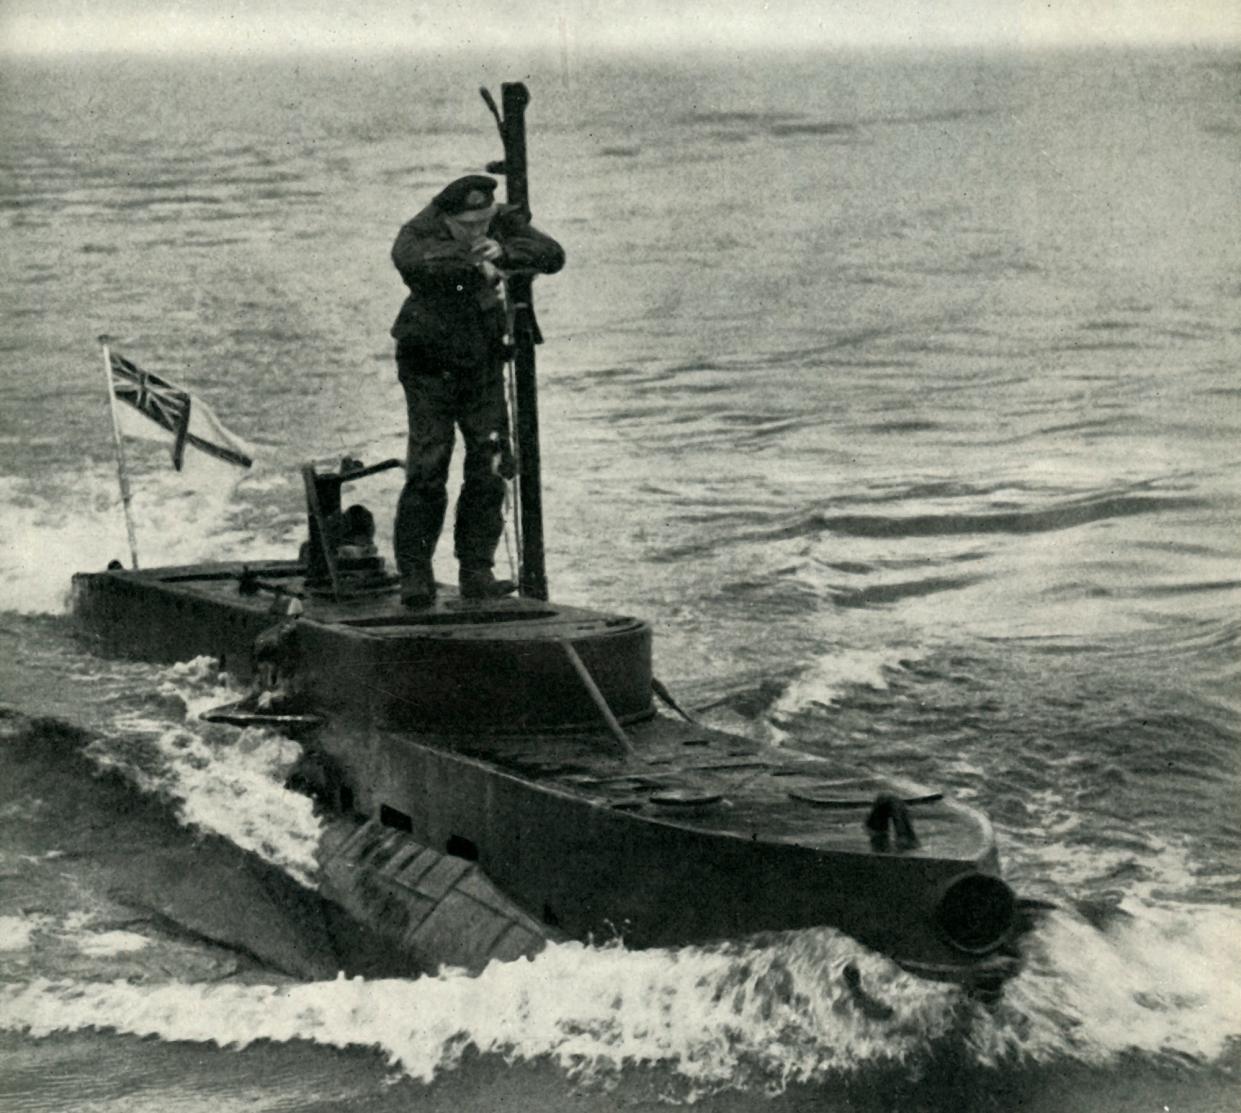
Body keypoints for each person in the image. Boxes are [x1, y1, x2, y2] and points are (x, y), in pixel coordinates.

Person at [389, 174, 565, 606]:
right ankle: (415, 571)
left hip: (482, 360)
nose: (479, 231)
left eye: (484, 222)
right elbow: (417, 263)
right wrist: (477, 263)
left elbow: (552, 254)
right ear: (447, 217)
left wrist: (505, 250)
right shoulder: (419, 231)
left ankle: (476, 568)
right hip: (429, 363)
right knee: (430, 464)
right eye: (468, 226)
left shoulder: (496, 223)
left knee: (491, 462)